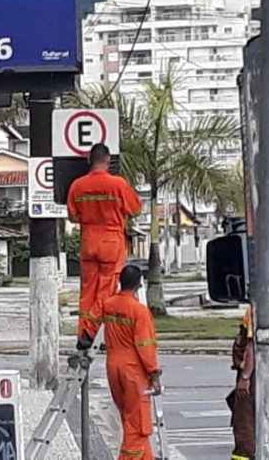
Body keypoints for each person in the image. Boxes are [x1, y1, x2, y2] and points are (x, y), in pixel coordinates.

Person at [67, 143, 142, 346]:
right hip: (111, 242)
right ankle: (89, 333)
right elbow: (135, 208)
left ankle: (83, 331)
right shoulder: (118, 184)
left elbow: (73, 217)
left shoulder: (77, 185)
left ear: (89, 160)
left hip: (88, 242)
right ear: (108, 161)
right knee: (106, 291)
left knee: (87, 292)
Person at [102, 264, 161, 460]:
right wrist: (154, 374)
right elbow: (146, 346)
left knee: (130, 420)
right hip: (133, 372)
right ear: (139, 284)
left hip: (113, 367)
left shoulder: (108, 305)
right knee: (138, 427)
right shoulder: (139, 311)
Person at [228, 304, 255, 460]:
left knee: (245, 430)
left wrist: (245, 377)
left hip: (251, 378)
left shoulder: (256, 307)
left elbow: (251, 344)